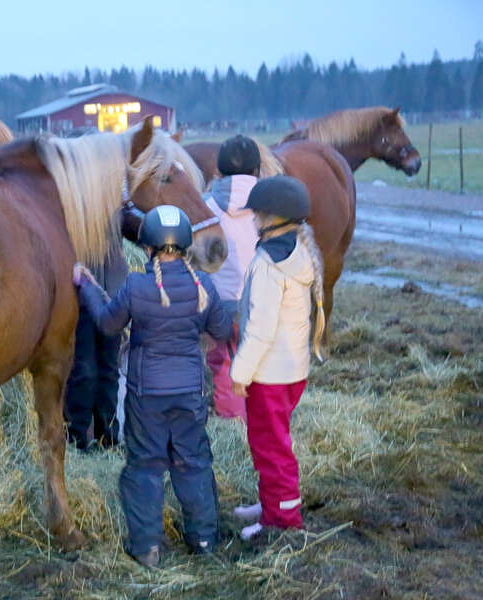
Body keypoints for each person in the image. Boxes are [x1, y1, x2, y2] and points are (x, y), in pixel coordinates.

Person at [73, 205, 233, 567]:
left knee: (144, 466)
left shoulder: (137, 284)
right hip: (191, 392)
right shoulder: (202, 286)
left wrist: (88, 287)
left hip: (147, 396)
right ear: (186, 246)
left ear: (147, 247)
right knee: (193, 463)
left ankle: (147, 548)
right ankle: (204, 540)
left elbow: (106, 324)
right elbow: (222, 330)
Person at [229, 175, 326, 539]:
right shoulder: (296, 251)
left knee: (272, 448)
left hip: (270, 374)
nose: (253, 219)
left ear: (273, 218)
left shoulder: (271, 264)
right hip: (289, 370)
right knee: (268, 442)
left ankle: (282, 519)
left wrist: (240, 372)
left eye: (257, 213)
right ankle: (272, 501)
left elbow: (261, 328)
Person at [203, 134, 262, 419]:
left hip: (219, 307)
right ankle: (263, 419)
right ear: (257, 172)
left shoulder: (204, 208)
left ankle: (232, 423)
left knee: (224, 364)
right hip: (261, 303)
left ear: (218, 172)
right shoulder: (270, 208)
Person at [64, 238, 127, 451]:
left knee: (109, 372)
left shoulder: (114, 206)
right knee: (83, 371)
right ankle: (76, 440)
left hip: (113, 297)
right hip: (78, 297)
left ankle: (107, 439)